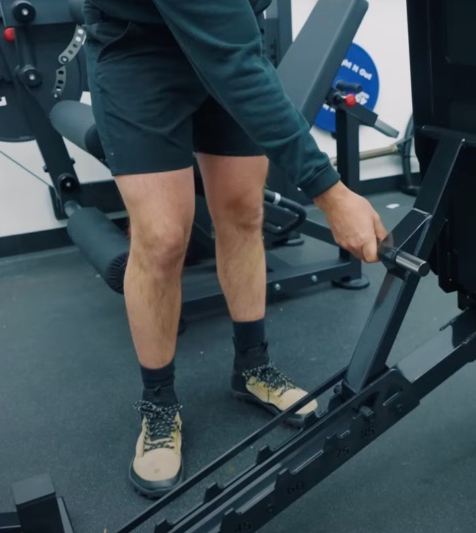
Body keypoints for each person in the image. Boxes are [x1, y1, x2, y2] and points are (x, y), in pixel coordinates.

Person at [81, 0, 387, 497]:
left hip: (229, 37)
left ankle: (252, 367)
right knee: (161, 238)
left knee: (244, 213)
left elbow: (233, 51)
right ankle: (158, 403)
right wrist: (330, 193)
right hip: (138, 53)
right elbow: (236, 66)